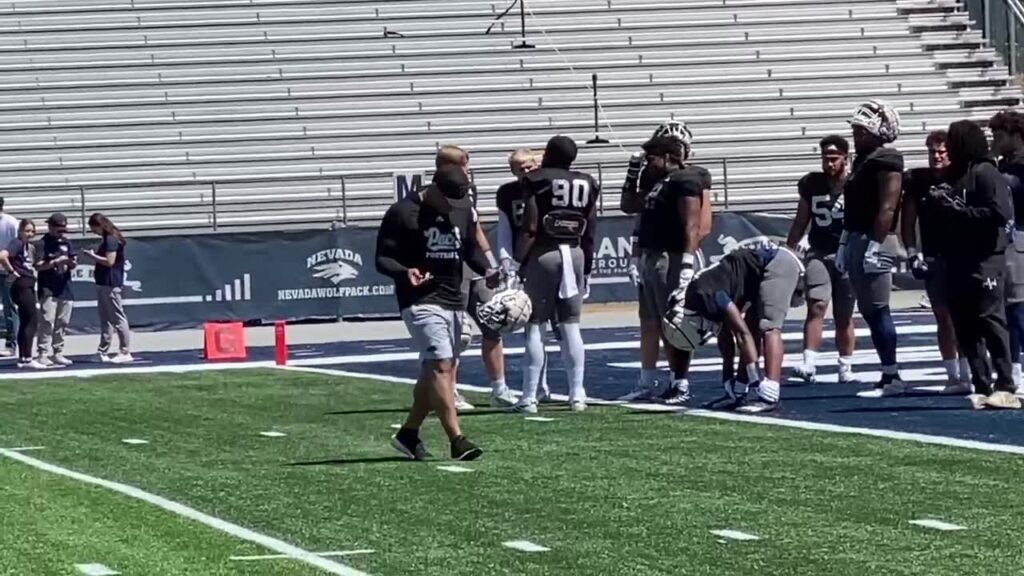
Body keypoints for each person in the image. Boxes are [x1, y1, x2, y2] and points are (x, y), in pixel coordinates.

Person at [376, 166, 498, 461]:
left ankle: (408, 433)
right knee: (441, 365)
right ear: (433, 190)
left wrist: (488, 270)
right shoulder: (403, 212)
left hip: (453, 298)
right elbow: (382, 258)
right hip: (419, 299)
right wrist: (406, 272)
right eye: (448, 202)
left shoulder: (462, 208)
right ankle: (457, 439)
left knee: (437, 371)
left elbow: (469, 249)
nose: (452, 208)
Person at [618, 120, 713, 403]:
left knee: (674, 322)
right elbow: (632, 210)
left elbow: (699, 225)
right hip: (651, 254)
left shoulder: (690, 179)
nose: (649, 161)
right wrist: (632, 174)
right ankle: (648, 381)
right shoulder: (658, 180)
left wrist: (686, 260)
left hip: (671, 256)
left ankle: (678, 382)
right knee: (649, 322)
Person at [930, 120, 1019, 410]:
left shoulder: (985, 172)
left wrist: (961, 210)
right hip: (959, 259)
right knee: (965, 322)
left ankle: (1006, 383)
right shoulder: (960, 175)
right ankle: (981, 383)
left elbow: (1000, 213)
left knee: (990, 318)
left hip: (985, 259)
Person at [664, 243, 805, 413]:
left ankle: (770, 393)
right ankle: (739, 390)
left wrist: (756, 379)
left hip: (776, 263)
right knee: (753, 328)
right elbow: (726, 339)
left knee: (768, 326)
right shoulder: (699, 299)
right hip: (754, 276)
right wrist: (728, 377)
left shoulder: (705, 293)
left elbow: (741, 334)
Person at [513, 135, 599, 413]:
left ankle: (528, 397)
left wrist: (516, 263)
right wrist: (586, 265)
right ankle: (577, 395)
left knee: (535, 324)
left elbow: (530, 226)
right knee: (571, 325)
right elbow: (590, 227)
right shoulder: (588, 182)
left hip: (544, 253)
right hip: (575, 252)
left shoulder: (536, 179)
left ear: (549, 153)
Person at [838, 100, 906, 398]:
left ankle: (893, 376)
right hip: (857, 236)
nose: (856, 135)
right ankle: (887, 373)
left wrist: (876, 245)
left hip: (875, 238)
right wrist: (844, 242)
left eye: (861, 130)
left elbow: (888, 207)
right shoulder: (864, 161)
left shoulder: (887, 159)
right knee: (868, 310)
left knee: (878, 310)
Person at [901, 130, 973, 394]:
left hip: (963, 255)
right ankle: (953, 376)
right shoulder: (918, 181)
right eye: (932, 151)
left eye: (942, 151)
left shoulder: (964, 176)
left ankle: (969, 372)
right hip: (934, 255)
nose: (937, 156)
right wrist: (911, 252)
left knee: (964, 317)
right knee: (942, 317)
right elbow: (908, 222)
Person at [436, 145, 504, 411]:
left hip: (474, 264)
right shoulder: (434, 193)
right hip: (453, 266)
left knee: (494, 323)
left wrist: (489, 259)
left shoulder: (469, 188)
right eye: (463, 164)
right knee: (456, 335)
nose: (467, 169)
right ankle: (449, 391)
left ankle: (499, 388)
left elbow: (475, 227)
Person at [786, 135, 857, 384]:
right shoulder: (812, 184)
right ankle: (809, 363)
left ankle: (845, 365)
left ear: (846, 158)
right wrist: (790, 251)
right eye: (826, 158)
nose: (829, 164)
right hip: (819, 252)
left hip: (846, 255)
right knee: (816, 306)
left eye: (834, 158)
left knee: (844, 315)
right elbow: (801, 220)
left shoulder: (854, 184)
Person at [495, 148, 553, 403]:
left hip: (548, 257)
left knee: (561, 327)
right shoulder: (508, 192)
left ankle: (572, 392)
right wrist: (507, 262)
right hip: (523, 261)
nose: (525, 172)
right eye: (519, 168)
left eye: (528, 167)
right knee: (533, 326)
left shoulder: (549, 185)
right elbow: (506, 228)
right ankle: (538, 387)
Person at [989, 109, 1024, 394]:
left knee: (1018, 309)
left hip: (1021, 240)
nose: (995, 141)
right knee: (1008, 309)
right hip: (1008, 242)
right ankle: (1012, 369)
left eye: (1000, 135)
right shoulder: (1002, 165)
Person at [82, 212, 133, 364]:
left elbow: (110, 261)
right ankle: (103, 350)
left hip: (111, 283)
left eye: (93, 229)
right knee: (106, 319)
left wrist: (92, 256)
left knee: (118, 317)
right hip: (104, 282)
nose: (94, 232)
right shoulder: (108, 239)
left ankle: (125, 350)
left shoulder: (111, 239)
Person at [0, 219, 45, 369]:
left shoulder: (27, 246)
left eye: (32, 231)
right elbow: (2, 256)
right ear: (20, 231)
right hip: (21, 284)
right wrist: (12, 271)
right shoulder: (17, 243)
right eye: (27, 231)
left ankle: (24, 358)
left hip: (27, 283)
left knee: (27, 320)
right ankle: (27, 357)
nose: (30, 234)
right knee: (32, 320)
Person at [34, 213, 76, 367]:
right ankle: (42, 352)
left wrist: (70, 262)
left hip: (65, 286)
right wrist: (54, 262)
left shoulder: (67, 242)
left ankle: (58, 352)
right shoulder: (42, 244)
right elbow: (38, 266)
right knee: (47, 320)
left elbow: (74, 261)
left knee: (63, 321)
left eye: (64, 228)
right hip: (48, 287)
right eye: (59, 228)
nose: (62, 231)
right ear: (51, 227)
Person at [0, 198, 18, 356]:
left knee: (9, 307)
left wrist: (12, 268)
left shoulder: (11, 222)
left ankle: (12, 343)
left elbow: (18, 245)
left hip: (7, 269)